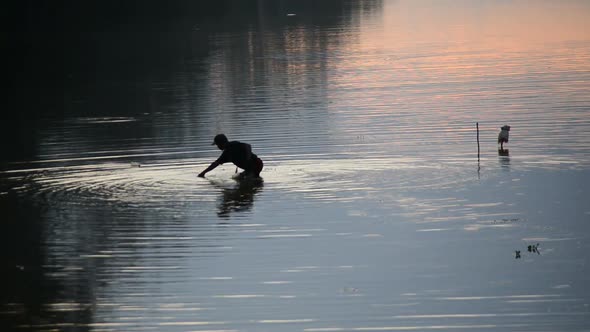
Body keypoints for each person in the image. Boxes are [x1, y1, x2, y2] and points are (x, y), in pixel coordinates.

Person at [198, 134, 264, 178]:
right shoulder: (225, 154)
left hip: (256, 164)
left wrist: (248, 157)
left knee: (249, 180)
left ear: (221, 144)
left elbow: (248, 146)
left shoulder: (233, 145)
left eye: (217, 145)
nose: (217, 147)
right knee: (238, 178)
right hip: (250, 168)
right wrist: (203, 173)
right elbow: (215, 164)